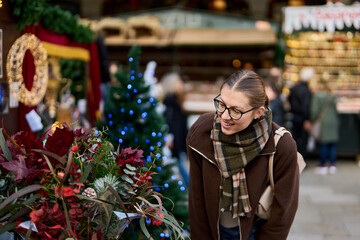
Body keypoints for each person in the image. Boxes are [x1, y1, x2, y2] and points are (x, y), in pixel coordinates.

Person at [187, 70, 299, 240]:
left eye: (236, 111)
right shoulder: (201, 132)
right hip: (211, 231)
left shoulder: (281, 145)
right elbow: (197, 201)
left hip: (256, 232)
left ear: (259, 112)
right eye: (222, 104)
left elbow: (283, 211)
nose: (224, 116)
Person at [160, 72, 189, 186]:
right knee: (183, 174)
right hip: (175, 145)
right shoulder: (170, 104)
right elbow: (171, 125)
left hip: (178, 144)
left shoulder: (175, 102)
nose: (181, 84)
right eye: (178, 81)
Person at [310, 80, 339, 175]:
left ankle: (323, 165)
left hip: (323, 122)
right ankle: (332, 164)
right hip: (333, 121)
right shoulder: (331, 95)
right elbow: (335, 109)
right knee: (332, 143)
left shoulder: (317, 95)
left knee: (323, 143)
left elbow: (314, 111)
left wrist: (312, 120)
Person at [288, 67, 313, 158]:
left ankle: (294, 158)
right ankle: (301, 159)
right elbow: (306, 106)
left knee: (295, 137)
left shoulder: (294, 88)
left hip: (295, 116)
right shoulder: (307, 90)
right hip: (303, 118)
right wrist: (307, 119)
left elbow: (289, 100)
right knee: (303, 139)